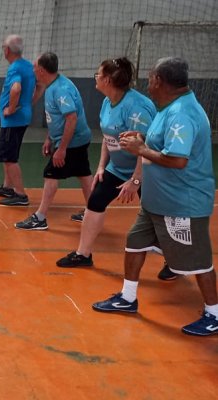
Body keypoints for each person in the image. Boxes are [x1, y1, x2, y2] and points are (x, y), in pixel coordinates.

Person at [92, 57, 218, 336]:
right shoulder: (169, 107)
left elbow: (177, 160)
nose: (147, 85)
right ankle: (127, 298)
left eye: (150, 79)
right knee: (135, 241)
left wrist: (141, 150)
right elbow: (161, 141)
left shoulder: (182, 114)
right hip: (158, 200)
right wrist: (141, 137)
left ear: (160, 81)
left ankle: (214, 314)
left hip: (182, 203)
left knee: (198, 261)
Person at [55, 57, 156, 267]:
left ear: (108, 79)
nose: (96, 77)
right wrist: (102, 166)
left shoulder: (137, 108)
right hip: (117, 168)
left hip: (147, 171)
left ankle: (175, 262)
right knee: (95, 201)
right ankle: (83, 254)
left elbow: (147, 147)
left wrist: (136, 181)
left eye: (98, 74)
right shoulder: (107, 102)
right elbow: (108, 137)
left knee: (156, 216)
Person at [15, 52, 92, 230]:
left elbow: (71, 118)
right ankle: (92, 209)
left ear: (41, 70)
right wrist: (49, 138)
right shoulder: (53, 85)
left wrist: (62, 149)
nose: (33, 69)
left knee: (51, 174)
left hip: (73, 141)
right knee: (84, 173)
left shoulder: (60, 90)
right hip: (77, 139)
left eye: (35, 67)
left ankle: (40, 217)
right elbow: (56, 118)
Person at [0, 34, 36, 206]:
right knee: (8, 154)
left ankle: (20, 194)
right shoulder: (28, 66)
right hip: (21, 118)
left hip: (13, 120)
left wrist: (10, 108)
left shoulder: (15, 68)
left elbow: (16, 89)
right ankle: (8, 187)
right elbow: (39, 86)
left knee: (9, 157)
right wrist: (28, 104)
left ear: (7, 50)